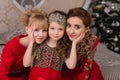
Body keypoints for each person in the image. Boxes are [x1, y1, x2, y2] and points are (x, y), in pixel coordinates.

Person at [23, 10, 77, 80]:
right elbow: (26, 64)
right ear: (47, 28)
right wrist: (31, 42)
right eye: (52, 28)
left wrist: (74, 43)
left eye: (60, 29)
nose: (56, 32)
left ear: (65, 31)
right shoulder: (39, 43)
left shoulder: (64, 47)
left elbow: (71, 66)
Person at [0, 8, 48, 80]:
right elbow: (3, 73)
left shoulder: (41, 43)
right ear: (27, 30)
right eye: (36, 30)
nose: (41, 34)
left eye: (44, 30)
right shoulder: (12, 47)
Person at [62, 7, 104, 80]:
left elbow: (88, 63)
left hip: (83, 67)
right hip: (65, 68)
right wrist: (74, 44)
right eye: (69, 25)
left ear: (86, 29)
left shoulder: (92, 40)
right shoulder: (62, 38)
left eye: (77, 27)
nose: (71, 31)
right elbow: (69, 66)